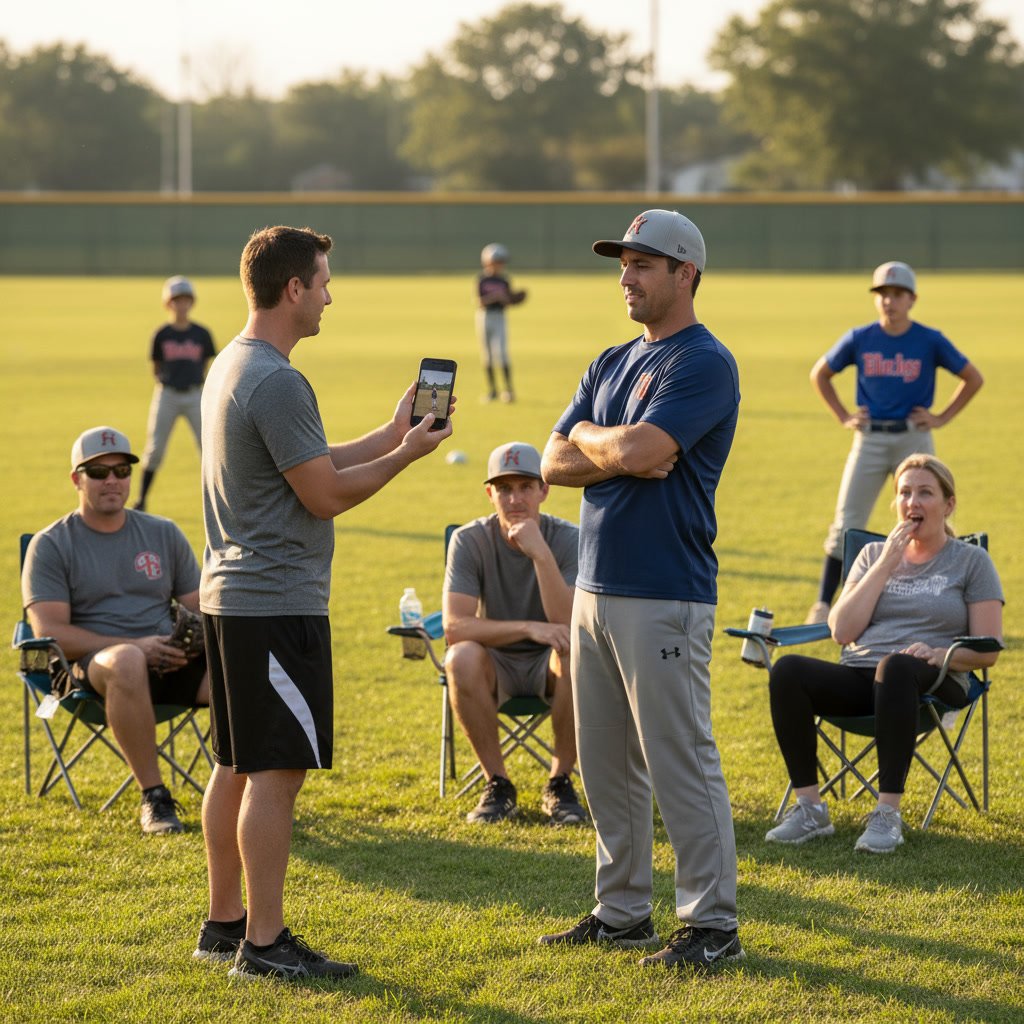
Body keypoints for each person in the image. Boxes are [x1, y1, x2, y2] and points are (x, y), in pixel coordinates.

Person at [196, 225, 453, 981]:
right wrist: (406, 456)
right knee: (276, 773)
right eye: (324, 283)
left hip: (230, 596)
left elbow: (308, 461)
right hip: (274, 603)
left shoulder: (233, 363)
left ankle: (224, 923)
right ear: (293, 289)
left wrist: (390, 432)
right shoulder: (277, 380)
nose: (330, 298)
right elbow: (325, 494)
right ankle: (264, 945)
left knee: (235, 764)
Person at [539, 209, 743, 972]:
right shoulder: (612, 360)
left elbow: (642, 447)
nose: (625, 277)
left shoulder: (705, 362)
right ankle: (622, 911)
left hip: (665, 590)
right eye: (623, 264)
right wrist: (610, 447)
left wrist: (601, 442)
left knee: (678, 758)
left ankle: (711, 925)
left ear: (686, 274)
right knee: (606, 765)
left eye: (643, 265)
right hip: (594, 586)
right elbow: (552, 461)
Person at [767, 454, 1002, 852]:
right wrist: (888, 561)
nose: (912, 502)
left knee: (895, 667)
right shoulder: (873, 555)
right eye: (904, 493)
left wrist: (938, 652)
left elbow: (988, 648)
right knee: (788, 670)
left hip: (935, 678)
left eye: (925, 493)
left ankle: (887, 814)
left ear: (948, 504)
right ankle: (810, 809)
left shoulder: (971, 561)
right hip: (863, 676)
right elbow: (842, 631)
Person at [22, 425, 209, 836]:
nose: (112, 480)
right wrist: (136, 645)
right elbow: (51, 633)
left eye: (122, 471)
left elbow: (202, 607)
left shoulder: (163, 533)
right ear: (76, 479)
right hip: (93, 671)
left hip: (170, 661)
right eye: (98, 472)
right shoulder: (51, 544)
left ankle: (245, 792)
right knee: (127, 660)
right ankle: (154, 797)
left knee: (245, 669)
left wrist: (198, 640)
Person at [805, 261, 983, 624]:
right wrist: (843, 415)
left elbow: (972, 377)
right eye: (883, 294)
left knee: (930, 518)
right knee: (846, 521)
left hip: (913, 439)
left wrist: (942, 417)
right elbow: (820, 374)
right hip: (870, 438)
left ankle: (943, 595)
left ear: (912, 299)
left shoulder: (929, 339)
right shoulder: (860, 337)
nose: (889, 301)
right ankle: (823, 605)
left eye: (898, 294)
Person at [444, 441, 587, 826]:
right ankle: (498, 783)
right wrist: (528, 627)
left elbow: (566, 620)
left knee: (576, 652)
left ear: (544, 490)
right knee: (460, 657)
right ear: (489, 494)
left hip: (551, 664)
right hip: (495, 662)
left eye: (525, 486)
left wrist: (540, 553)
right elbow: (455, 627)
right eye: (504, 488)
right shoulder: (469, 539)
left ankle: (560, 782)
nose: (515, 498)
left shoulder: (568, 538)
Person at [134, 276, 217, 511]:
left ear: (192, 302)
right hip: (167, 394)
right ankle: (141, 500)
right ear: (168, 304)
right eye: (176, 300)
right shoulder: (162, 334)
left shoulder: (201, 333)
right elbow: (156, 367)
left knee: (209, 448)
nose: (181, 305)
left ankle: (217, 500)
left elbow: (205, 365)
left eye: (185, 300)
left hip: (195, 395)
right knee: (155, 449)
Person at [476, 242, 527, 403]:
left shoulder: (504, 280)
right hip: (484, 317)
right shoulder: (482, 279)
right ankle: (492, 391)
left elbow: (508, 300)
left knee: (502, 353)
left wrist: (513, 299)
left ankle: (509, 390)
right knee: (487, 354)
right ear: (487, 262)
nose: (500, 265)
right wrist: (496, 297)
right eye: (497, 262)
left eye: (501, 262)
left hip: (499, 317)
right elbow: (479, 301)